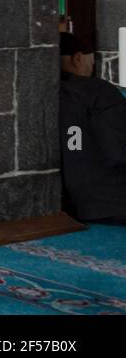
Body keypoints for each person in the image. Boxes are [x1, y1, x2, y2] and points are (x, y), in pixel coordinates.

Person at [59, 34, 126, 224]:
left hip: (67, 205)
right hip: (111, 202)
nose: (92, 67)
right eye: (92, 61)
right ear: (78, 58)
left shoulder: (44, 92)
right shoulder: (97, 91)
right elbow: (119, 151)